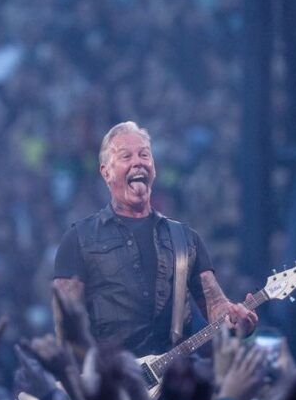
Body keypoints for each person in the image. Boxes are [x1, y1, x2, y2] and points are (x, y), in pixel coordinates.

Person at [52, 121, 257, 357]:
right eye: (126, 156)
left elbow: (215, 304)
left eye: (144, 155)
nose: (138, 162)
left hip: (177, 382)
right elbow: (66, 326)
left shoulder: (185, 239)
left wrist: (235, 321)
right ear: (106, 172)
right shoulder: (78, 239)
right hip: (111, 383)